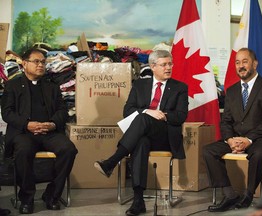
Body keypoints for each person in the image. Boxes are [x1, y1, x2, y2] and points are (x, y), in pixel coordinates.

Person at [94, 50, 188, 216]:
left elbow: (180, 116)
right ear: (153, 67)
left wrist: (161, 115)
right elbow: (127, 111)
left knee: (142, 119)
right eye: (164, 64)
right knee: (141, 141)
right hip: (142, 134)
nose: (168, 68)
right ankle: (139, 200)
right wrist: (147, 111)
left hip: (164, 135)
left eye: (170, 64)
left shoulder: (180, 87)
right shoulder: (140, 85)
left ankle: (113, 160)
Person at [203, 47, 262, 212]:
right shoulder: (231, 91)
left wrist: (248, 140)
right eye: (237, 62)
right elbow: (226, 121)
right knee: (209, 151)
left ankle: (248, 194)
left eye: (245, 61)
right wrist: (230, 139)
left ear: (255, 64)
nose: (241, 66)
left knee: (259, 154)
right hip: (236, 138)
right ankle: (230, 195)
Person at [1, 48, 78, 214]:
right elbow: (7, 113)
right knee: (23, 150)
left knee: (69, 149)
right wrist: (27, 124)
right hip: (24, 133)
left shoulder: (52, 86)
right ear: (25, 63)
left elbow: (62, 111)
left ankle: (52, 195)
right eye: (36, 61)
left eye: (43, 62)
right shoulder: (13, 85)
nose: (41, 65)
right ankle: (27, 198)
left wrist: (52, 124)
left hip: (49, 132)